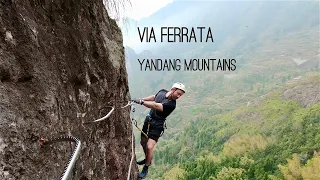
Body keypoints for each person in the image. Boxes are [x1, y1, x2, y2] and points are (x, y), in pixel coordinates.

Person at [132, 82, 186, 179]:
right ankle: (147, 158)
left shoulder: (172, 105)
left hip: (157, 125)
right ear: (173, 89)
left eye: (180, 95)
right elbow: (154, 97)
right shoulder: (162, 92)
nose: (179, 96)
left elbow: (156, 105)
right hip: (148, 120)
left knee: (149, 147)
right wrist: (142, 99)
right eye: (178, 93)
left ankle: (146, 167)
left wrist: (141, 102)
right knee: (143, 142)